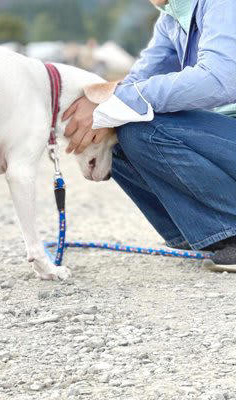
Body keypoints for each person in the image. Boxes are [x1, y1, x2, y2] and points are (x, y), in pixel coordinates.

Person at [63, 0, 236, 271]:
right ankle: (208, 235)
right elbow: (138, 80)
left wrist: (113, 102)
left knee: (137, 126)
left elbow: (220, 78)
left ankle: (228, 230)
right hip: (224, 132)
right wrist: (100, 109)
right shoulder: (172, 18)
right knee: (115, 129)